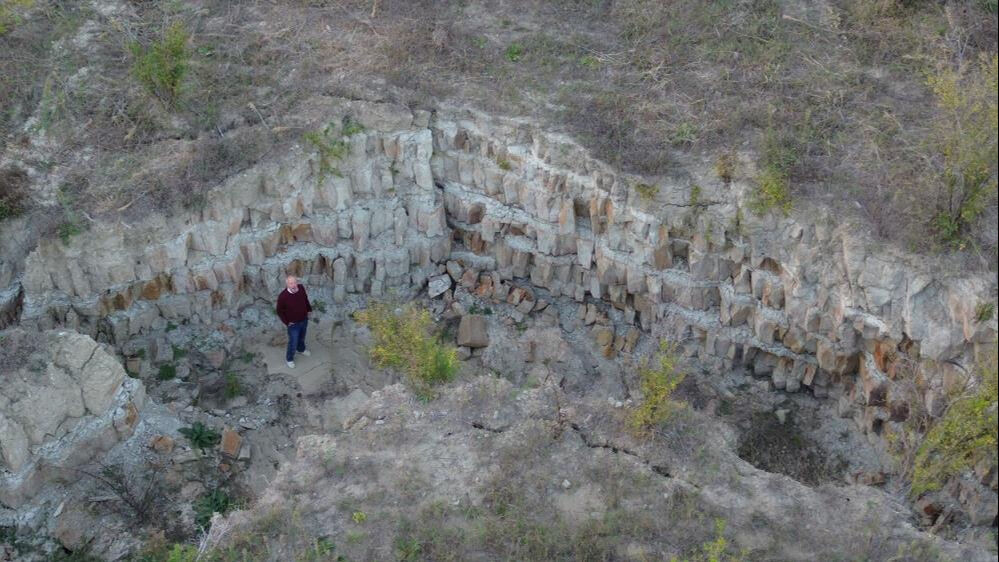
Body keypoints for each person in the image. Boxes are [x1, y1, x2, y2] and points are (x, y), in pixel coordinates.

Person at [276, 275, 313, 368]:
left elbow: (305, 299)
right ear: (287, 284)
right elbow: (279, 311)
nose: (294, 285)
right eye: (291, 283)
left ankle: (301, 349)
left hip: (304, 319)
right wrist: (287, 322)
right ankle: (289, 359)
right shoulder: (283, 296)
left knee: (302, 337)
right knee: (293, 342)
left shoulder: (301, 288)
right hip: (293, 324)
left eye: (295, 282)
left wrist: (309, 310)